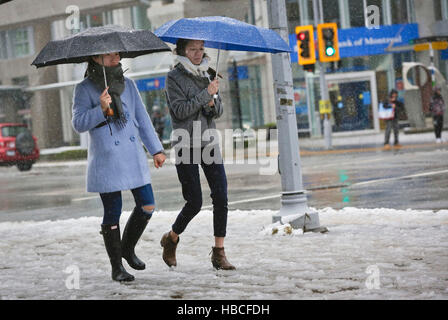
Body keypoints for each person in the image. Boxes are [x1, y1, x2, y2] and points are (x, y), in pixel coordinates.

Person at [72, 52, 166, 282]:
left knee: (148, 204)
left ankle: (127, 248)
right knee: (113, 212)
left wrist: (156, 149)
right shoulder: (84, 89)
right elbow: (78, 123)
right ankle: (117, 268)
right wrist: (101, 109)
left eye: (117, 54)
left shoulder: (129, 84)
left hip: (132, 154)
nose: (116, 58)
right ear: (95, 58)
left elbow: (142, 119)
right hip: (107, 157)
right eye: (109, 54)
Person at [161, 38, 235, 270]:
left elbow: (218, 112)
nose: (197, 53)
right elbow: (181, 111)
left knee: (221, 196)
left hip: (209, 142)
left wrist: (212, 101)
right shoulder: (173, 77)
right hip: (185, 144)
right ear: (182, 51)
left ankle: (219, 252)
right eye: (192, 49)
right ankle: (171, 238)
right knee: (194, 202)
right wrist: (206, 94)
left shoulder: (208, 73)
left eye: (201, 49)